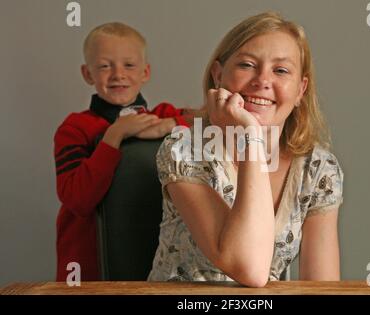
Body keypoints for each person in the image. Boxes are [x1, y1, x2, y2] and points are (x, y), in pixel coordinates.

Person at [148, 12, 344, 287]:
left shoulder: (319, 169)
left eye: (281, 70)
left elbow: (321, 288)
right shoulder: (184, 149)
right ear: (218, 75)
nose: (262, 80)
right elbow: (249, 267)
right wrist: (251, 137)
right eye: (247, 65)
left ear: (301, 90)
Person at [53, 22, 192, 281]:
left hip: (157, 257)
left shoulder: (163, 115)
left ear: (145, 72)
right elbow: (77, 200)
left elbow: (211, 123)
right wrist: (114, 136)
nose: (118, 74)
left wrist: (172, 125)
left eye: (128, 65)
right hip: (89, 268)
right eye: (105, 66)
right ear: (87, 74)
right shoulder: (74, 128)